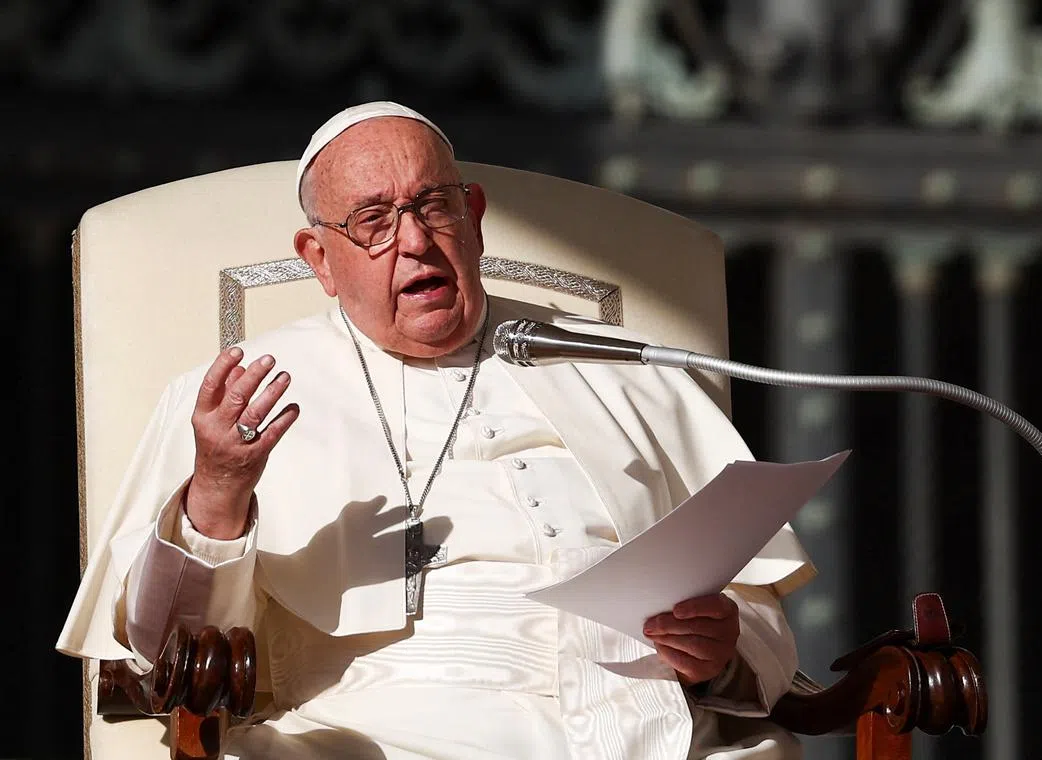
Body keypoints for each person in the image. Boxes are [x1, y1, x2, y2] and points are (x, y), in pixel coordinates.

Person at [57, 102, 817, 759]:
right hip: (389, 735)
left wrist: (721, 652)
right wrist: (219, 490)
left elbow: (761, 623)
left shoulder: (619, 369)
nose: (416, 241)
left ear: (475, 217)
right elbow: (169, 655)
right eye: (374, 222)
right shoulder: (237, 394)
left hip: (651, 728)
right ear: (319, 259)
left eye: (434, 206)